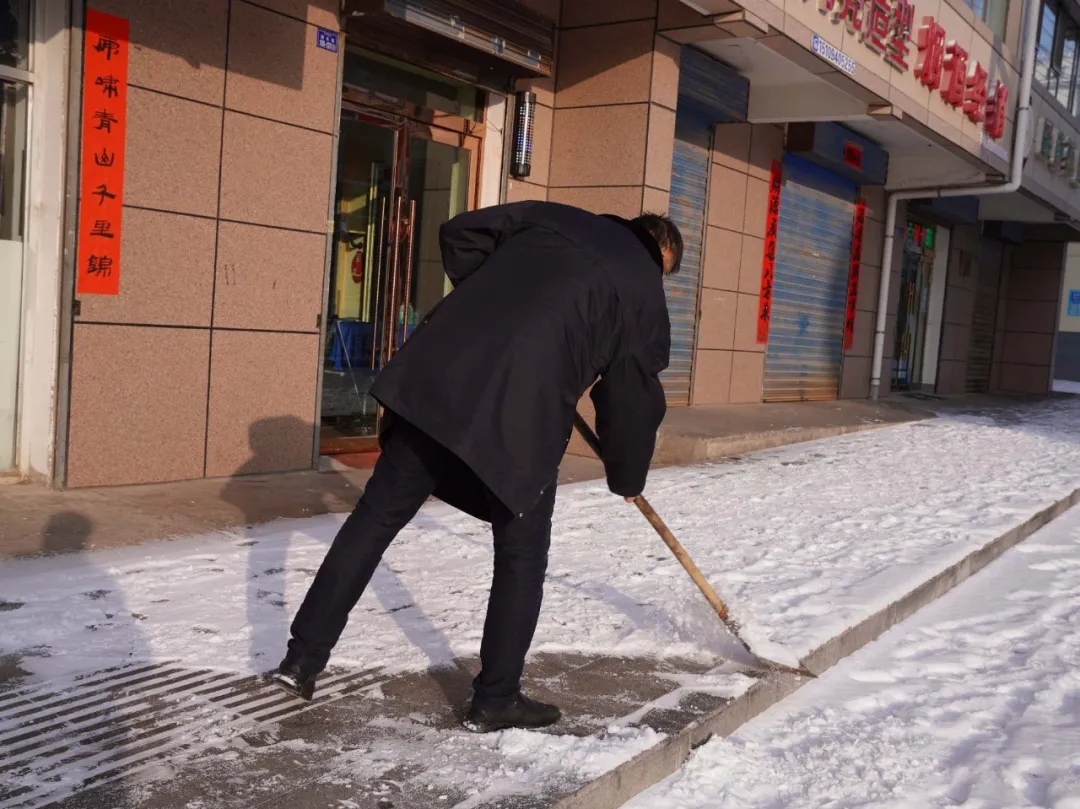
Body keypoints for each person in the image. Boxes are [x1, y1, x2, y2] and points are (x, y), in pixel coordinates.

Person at [274, 201, 682, 733]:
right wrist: (627, 476)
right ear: (662, 253)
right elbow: (631, 400)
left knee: (374, 521)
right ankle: (495, 699)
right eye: (666, 272)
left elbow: (460, 233)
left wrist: (491, 301)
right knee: (520, 556)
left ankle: (301, 660)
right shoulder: (643, 291)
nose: (661, 279)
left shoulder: (552, 218)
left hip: (437, 381)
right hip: (521, 418)